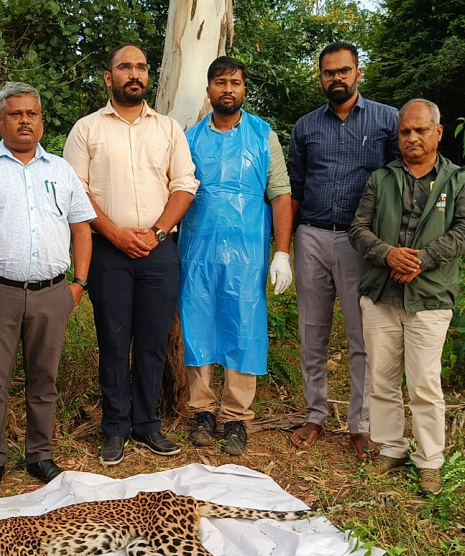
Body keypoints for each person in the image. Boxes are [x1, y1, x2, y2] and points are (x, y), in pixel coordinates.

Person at [0, 82, 95, 498]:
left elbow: (81, 228)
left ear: (42, 120)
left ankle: (40, 455)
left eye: (32, 113)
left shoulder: (61, 170)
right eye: (15, 113)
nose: (25, 120)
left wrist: (78, 285)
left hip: (53, 295)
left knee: (44, 380)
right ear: (0, 119)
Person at [63, 43, 198, 466]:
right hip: (108, 250)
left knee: (154, 341)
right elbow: (76, 193)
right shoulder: (87, 129)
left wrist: (157, 232)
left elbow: (185, 184)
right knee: (114, 341)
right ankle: (115, 428)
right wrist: (116, 234)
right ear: (109, 77)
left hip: (159, 249)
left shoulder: (168, 129)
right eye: (124, 67)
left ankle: (147, 425)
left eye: (141, 67)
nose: (134, 74)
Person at [349, 99, 465, 495]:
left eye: (421, 130)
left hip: (430, 297)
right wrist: (387, 253)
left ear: (438, 133)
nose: (412, 138)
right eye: (405, 131)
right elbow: (358, 228)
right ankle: (391, 448)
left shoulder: (458, 180)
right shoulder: (381, 178)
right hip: (381, 294)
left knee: (424, 383)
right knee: (383, 380)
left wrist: (422, 259)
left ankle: (429, 460)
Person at [287, 41, 400, 460]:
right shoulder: (306, 127)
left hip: (361, 241)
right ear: (320, 77)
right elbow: (295, 188)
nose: (336, 78)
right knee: (311, 334)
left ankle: (361, 423)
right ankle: (315, 414)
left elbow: (399, 184)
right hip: (312, 235)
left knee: (361, 336)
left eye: (343, 70)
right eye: (328, 72)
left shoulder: (389, 120)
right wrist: (284, 247)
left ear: (358, 72)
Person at [179, 57, 293, 456]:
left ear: (245, 90)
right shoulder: (189, 138)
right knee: (199, 323)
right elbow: (177, 190)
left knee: (243, 325)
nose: (228, 89)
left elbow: (280, 193)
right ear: (208, 89)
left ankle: (236, 418)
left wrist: (282, 252)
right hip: (196, 248)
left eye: (236, 83)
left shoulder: (264, 136)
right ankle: (202, 412)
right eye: (220, 82)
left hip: (247, 252)